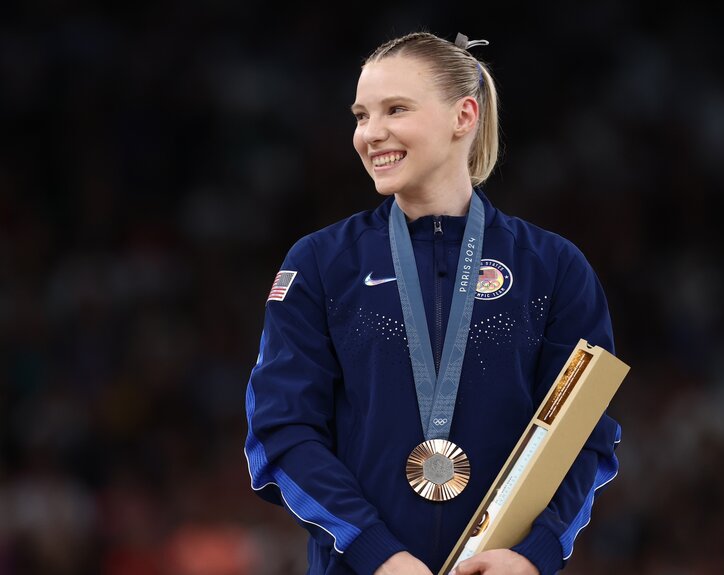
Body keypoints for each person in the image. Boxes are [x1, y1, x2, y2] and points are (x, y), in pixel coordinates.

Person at [244, 31, 622, 575]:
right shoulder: (321, 264)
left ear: (463, 116)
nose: (371, 133)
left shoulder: (554, 267)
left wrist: (533, 555)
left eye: (395, 109)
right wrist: (377, 552)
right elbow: (280, 431)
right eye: (360, 115)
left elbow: (582, 434)